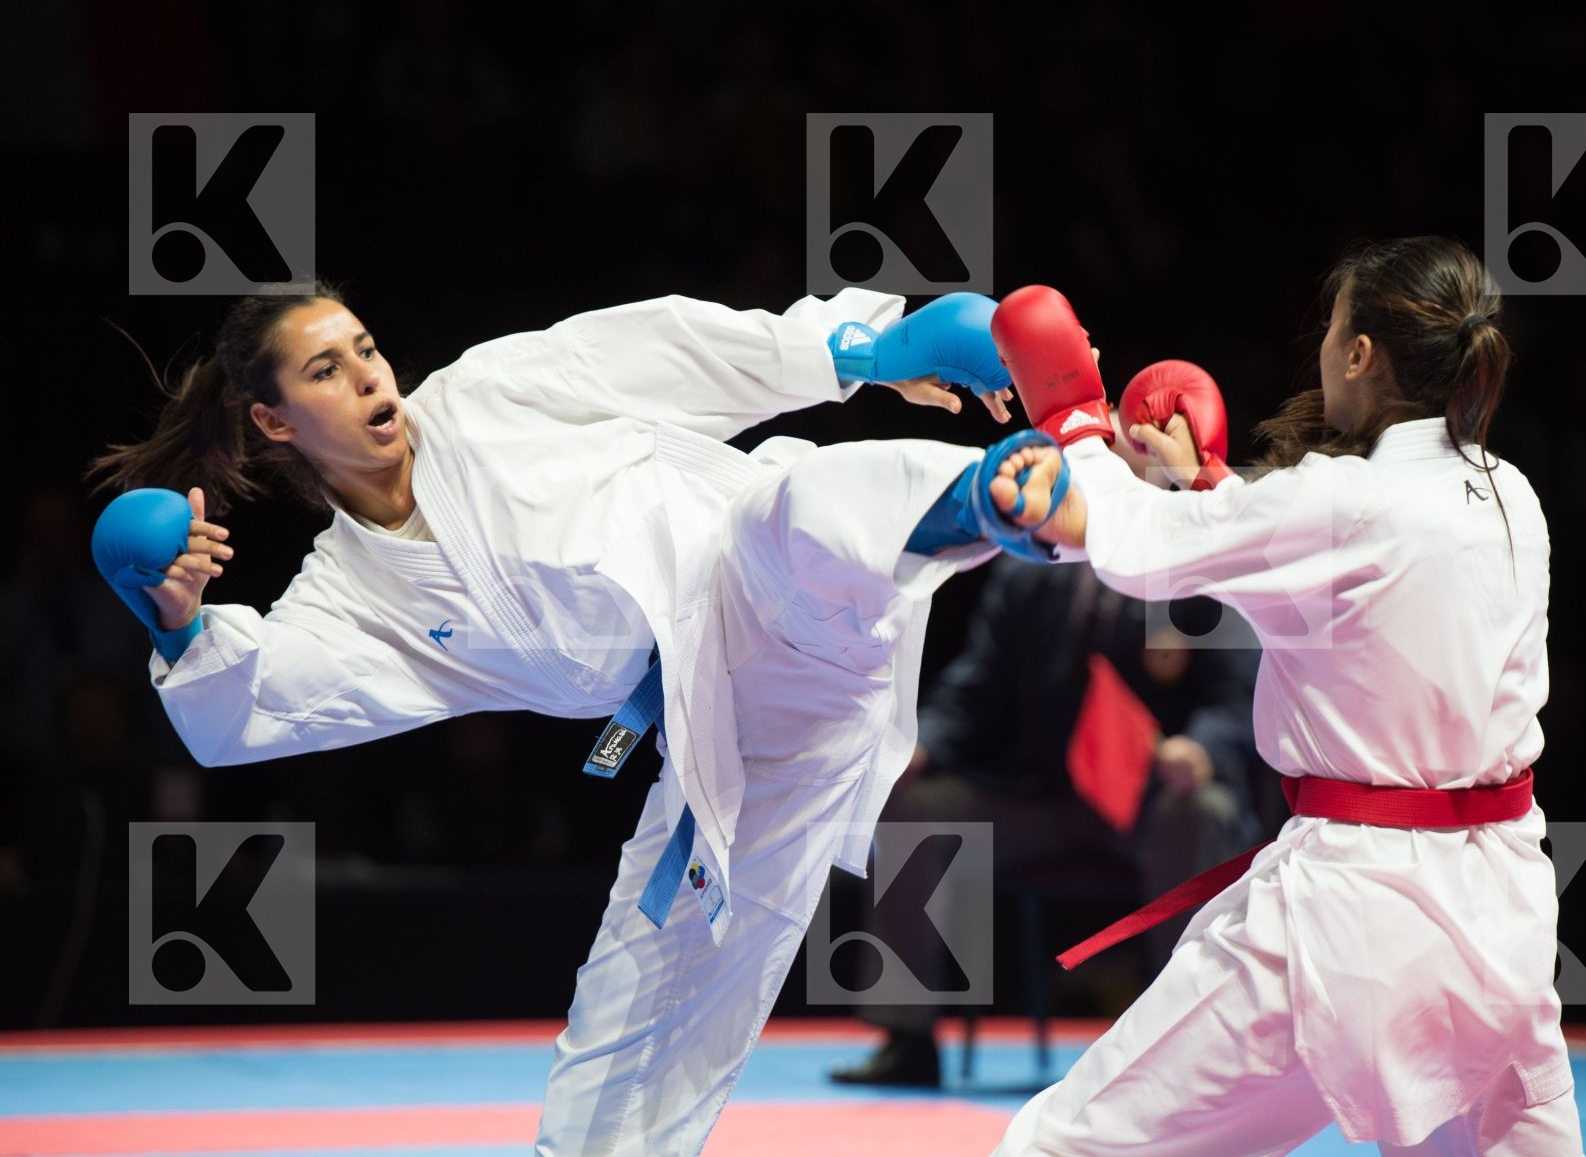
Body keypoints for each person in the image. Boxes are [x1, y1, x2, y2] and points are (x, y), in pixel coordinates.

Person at [85, 281, 1072, 1156]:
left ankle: (986, 497)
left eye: (366, 349)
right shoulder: (352, 598)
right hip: (738, 734)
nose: (368, 376)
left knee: (793, 507)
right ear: (274, 419)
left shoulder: (490, 395)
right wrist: (179, 628)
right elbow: (250, 709)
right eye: (326, 371)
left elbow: (672, 349)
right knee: (624, 1039)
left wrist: (861, 352)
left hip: (763, 574)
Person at [981, 241, 1584, 1154]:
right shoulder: (1512, 498)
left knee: (1066, 1144)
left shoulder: (1344, 499)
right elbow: (1354, 609)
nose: (1324, 349)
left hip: (1348, 920)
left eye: (1334, 329)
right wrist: (1210, 491)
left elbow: (1139, 548)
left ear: (1361, 354)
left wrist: (1071, 413)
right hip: (1501, 922)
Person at [830, 551, 1264, 1088]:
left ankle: (1184, 1044)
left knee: (1203, 812)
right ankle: (907, 1041)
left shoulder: (1190, 573)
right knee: (912, 811)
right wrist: (923, 747)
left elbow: (1235, 697)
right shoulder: (1028, 574)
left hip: (1149, 801)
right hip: (1039, 797)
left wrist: (1199, 749)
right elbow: (977, 685)